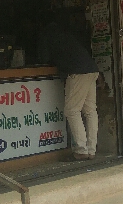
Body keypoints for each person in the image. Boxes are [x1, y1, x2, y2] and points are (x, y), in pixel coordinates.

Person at [38, 15, 99, 160]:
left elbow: (43, 58)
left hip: (77, 72)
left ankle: (81, 150)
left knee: (72, 111)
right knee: (90, 111)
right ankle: (91, 150)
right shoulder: (65, 32)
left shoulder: (47, 34)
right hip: (91, 69)